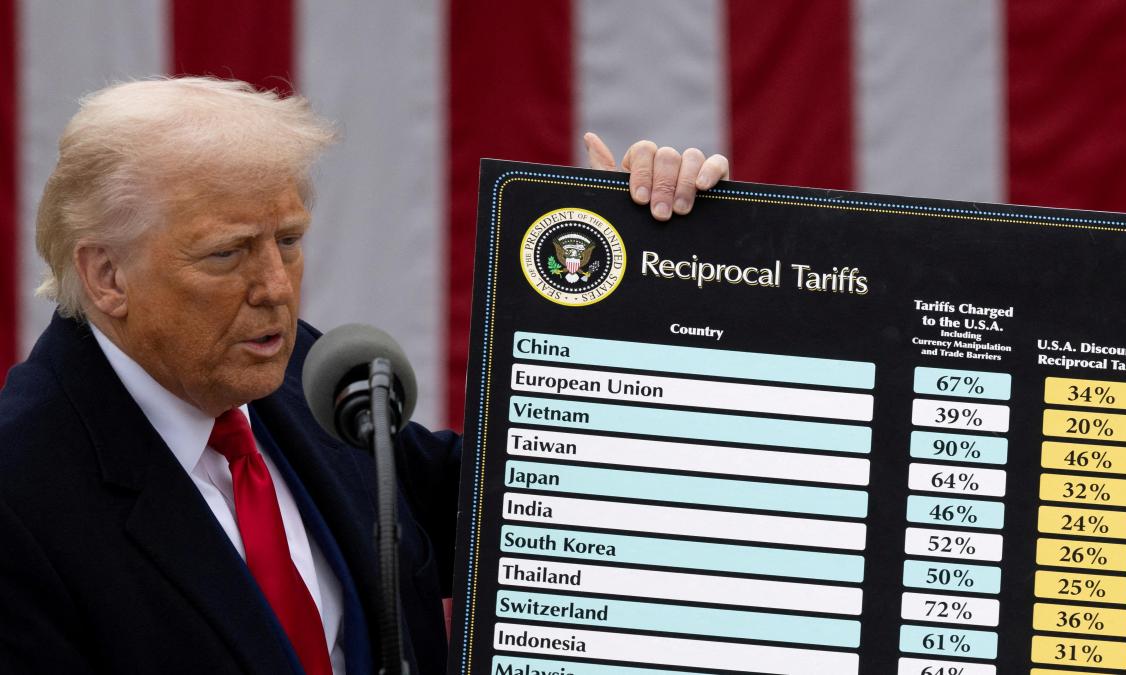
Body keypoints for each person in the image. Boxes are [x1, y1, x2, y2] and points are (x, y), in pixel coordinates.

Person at [0, 77, 727, 675]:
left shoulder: (307, 377)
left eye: (289, 241)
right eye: (227, 254)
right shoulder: (22, 491)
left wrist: (638, 280)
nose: (276, 287)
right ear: (107, 275)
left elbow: (520, 512)